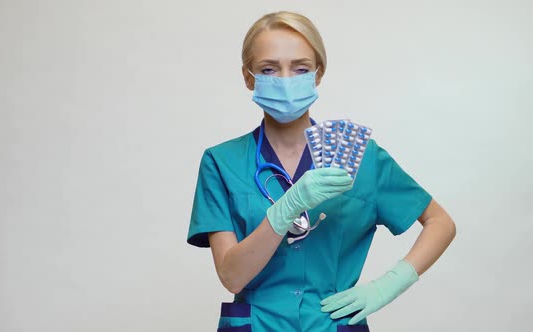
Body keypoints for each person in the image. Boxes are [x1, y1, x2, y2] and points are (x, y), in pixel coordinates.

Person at [187, 11, 456, 332]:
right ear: (249, 77)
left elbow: (440, 223)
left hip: (333, 323)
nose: (285, 80)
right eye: (269, 69)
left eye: (300, 68)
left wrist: (389, 285)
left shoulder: (358, 155)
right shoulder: (221, 162)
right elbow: (232, 277)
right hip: (258, 324)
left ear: (318, 74)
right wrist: (283, 210)